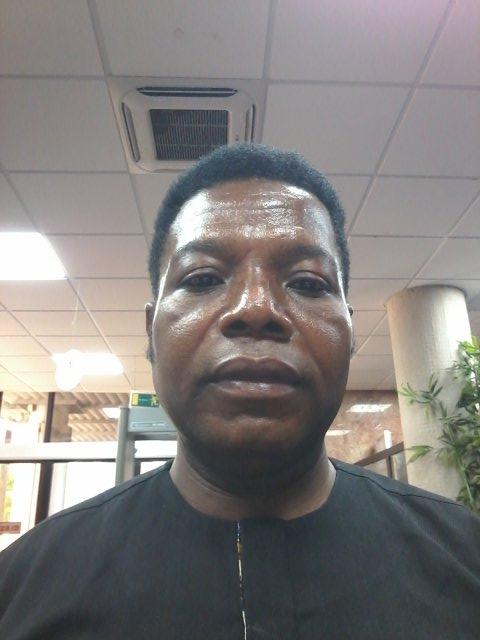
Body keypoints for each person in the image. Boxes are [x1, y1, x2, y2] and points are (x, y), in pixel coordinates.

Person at [0, 144, 479, 639]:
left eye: (308, 283)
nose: (256, 309)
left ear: (351, 333)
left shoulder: (464, 560)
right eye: (203, 278)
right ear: (151, 333)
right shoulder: (24, 590)